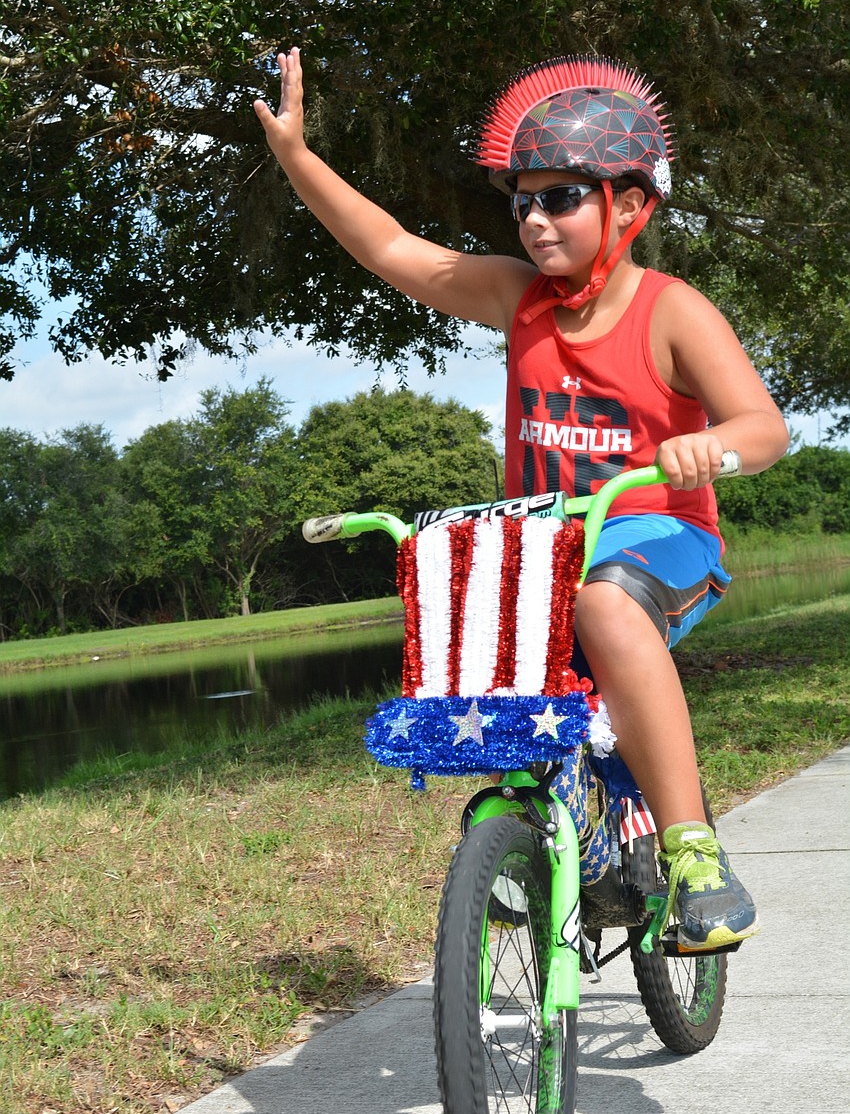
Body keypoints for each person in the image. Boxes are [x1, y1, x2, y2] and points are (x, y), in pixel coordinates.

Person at [254, 48, 789, 950]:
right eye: (522, 201)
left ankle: (694, 846)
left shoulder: (672, 311)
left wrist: (712, 445)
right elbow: (392, 250)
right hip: (549, 547)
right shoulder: (520, 299)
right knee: (473, 624)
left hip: (661, 539)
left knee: (606, 606)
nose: (535, 221)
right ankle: (542, 830)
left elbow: (766, 428)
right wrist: (298, 156)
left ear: (628, 202)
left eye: (561, 197)